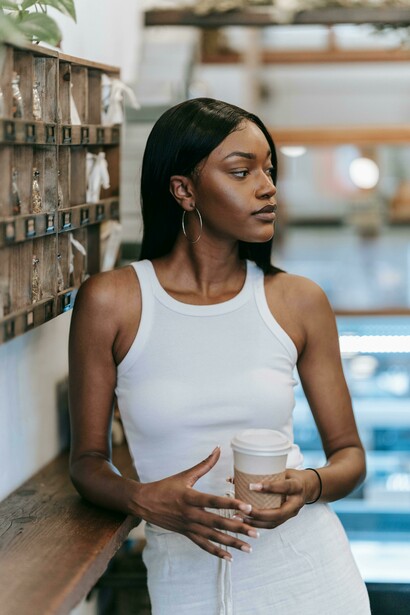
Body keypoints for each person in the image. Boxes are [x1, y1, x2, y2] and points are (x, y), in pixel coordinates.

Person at [69, 98, 371, 614]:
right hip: (184, 579)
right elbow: (87, 463)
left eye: (269, 170)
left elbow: (350, 456)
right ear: (184, 190)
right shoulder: (111, 302)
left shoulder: (298, 301)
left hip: (310, 573)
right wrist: (141, 498)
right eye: (241, 171)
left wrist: (311, 484)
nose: (267, 186)